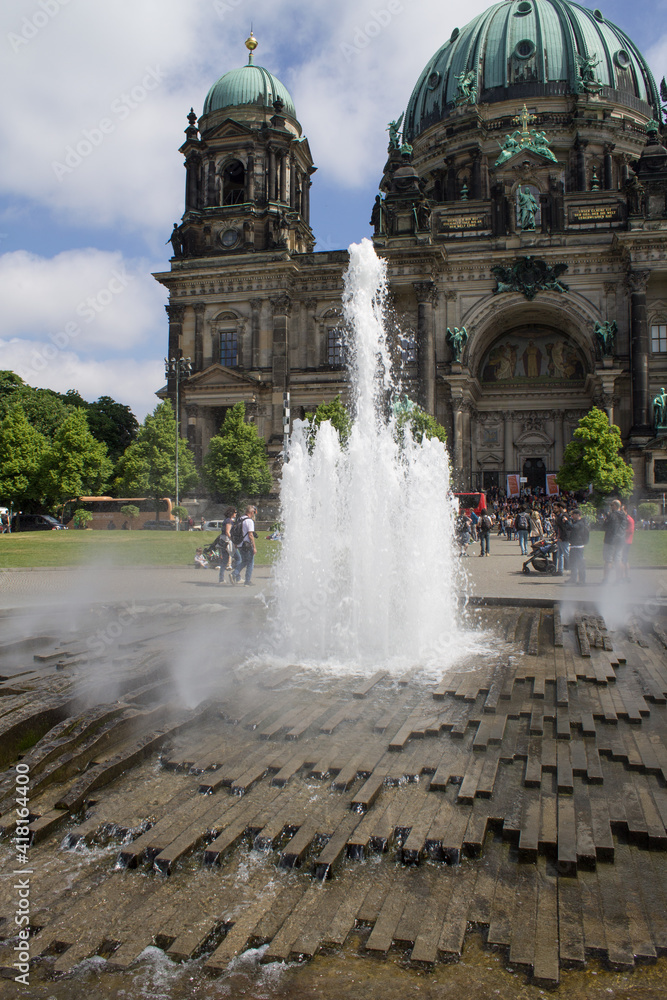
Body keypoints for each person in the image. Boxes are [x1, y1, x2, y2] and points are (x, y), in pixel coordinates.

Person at [602, 499, 628, 583]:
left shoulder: (612, 515)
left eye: (611, 505)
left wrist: (606, 519)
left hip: (611, 540)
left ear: (615, 506)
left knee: (608, 560)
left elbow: (605, 526)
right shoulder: (624, 515)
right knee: (618, 559)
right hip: (620, 540)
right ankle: (619, 579)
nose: (611, 507)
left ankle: (606, 579)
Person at [233, 505, 257, 586]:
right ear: (251, 512)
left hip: (239, 544)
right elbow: (250, 535)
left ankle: (234, 573)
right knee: (250, 562)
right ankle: (247, 581)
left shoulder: (240, 519)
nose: (254, 514)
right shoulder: (249, 521)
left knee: (245, 561)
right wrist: (254, 547)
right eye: (253, 512)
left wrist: (236, 543)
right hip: (246, 544)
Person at [219, 506, 242, 584]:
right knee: (238, 558)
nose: (236, 514)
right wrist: (234, 541)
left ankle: (221, 579)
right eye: (235, 512)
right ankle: (237, 576)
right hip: (228, 542)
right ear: (231, 513)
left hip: (223, 542)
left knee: (225, 561)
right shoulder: (229, 521)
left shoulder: (225, 520)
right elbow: (227, 532)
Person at [567, 507, 589, 585]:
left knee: (580, 563)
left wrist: (567, 522)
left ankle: (582, 580)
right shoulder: (576, 522)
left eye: (573, 514)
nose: (572, 516)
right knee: (573, 563)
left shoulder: (580, 523)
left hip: (578, 545)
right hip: (574, 545)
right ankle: (573, 578)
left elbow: (574, 528)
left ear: (577, 515)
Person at [553, 503, 571, 576]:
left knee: (566, 554)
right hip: (560, 537)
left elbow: (565, 528)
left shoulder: (564, 515)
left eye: (556, 508)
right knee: (560, 555)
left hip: (564, 538)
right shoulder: (560, 515)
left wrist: (562, 537)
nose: (554, 510)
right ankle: (560, 570)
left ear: (560, 507)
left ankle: (573, 569)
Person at [620, 504, 634, 582]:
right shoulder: (623, 519)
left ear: (626, 511)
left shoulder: (629, 519)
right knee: (623, 559)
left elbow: (630, 531)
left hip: (626, 542)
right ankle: (624, 576)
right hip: (622, 541)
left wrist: (620, 532)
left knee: (623, 559)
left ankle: (625, 576)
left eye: (622, 510)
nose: (621, 512)